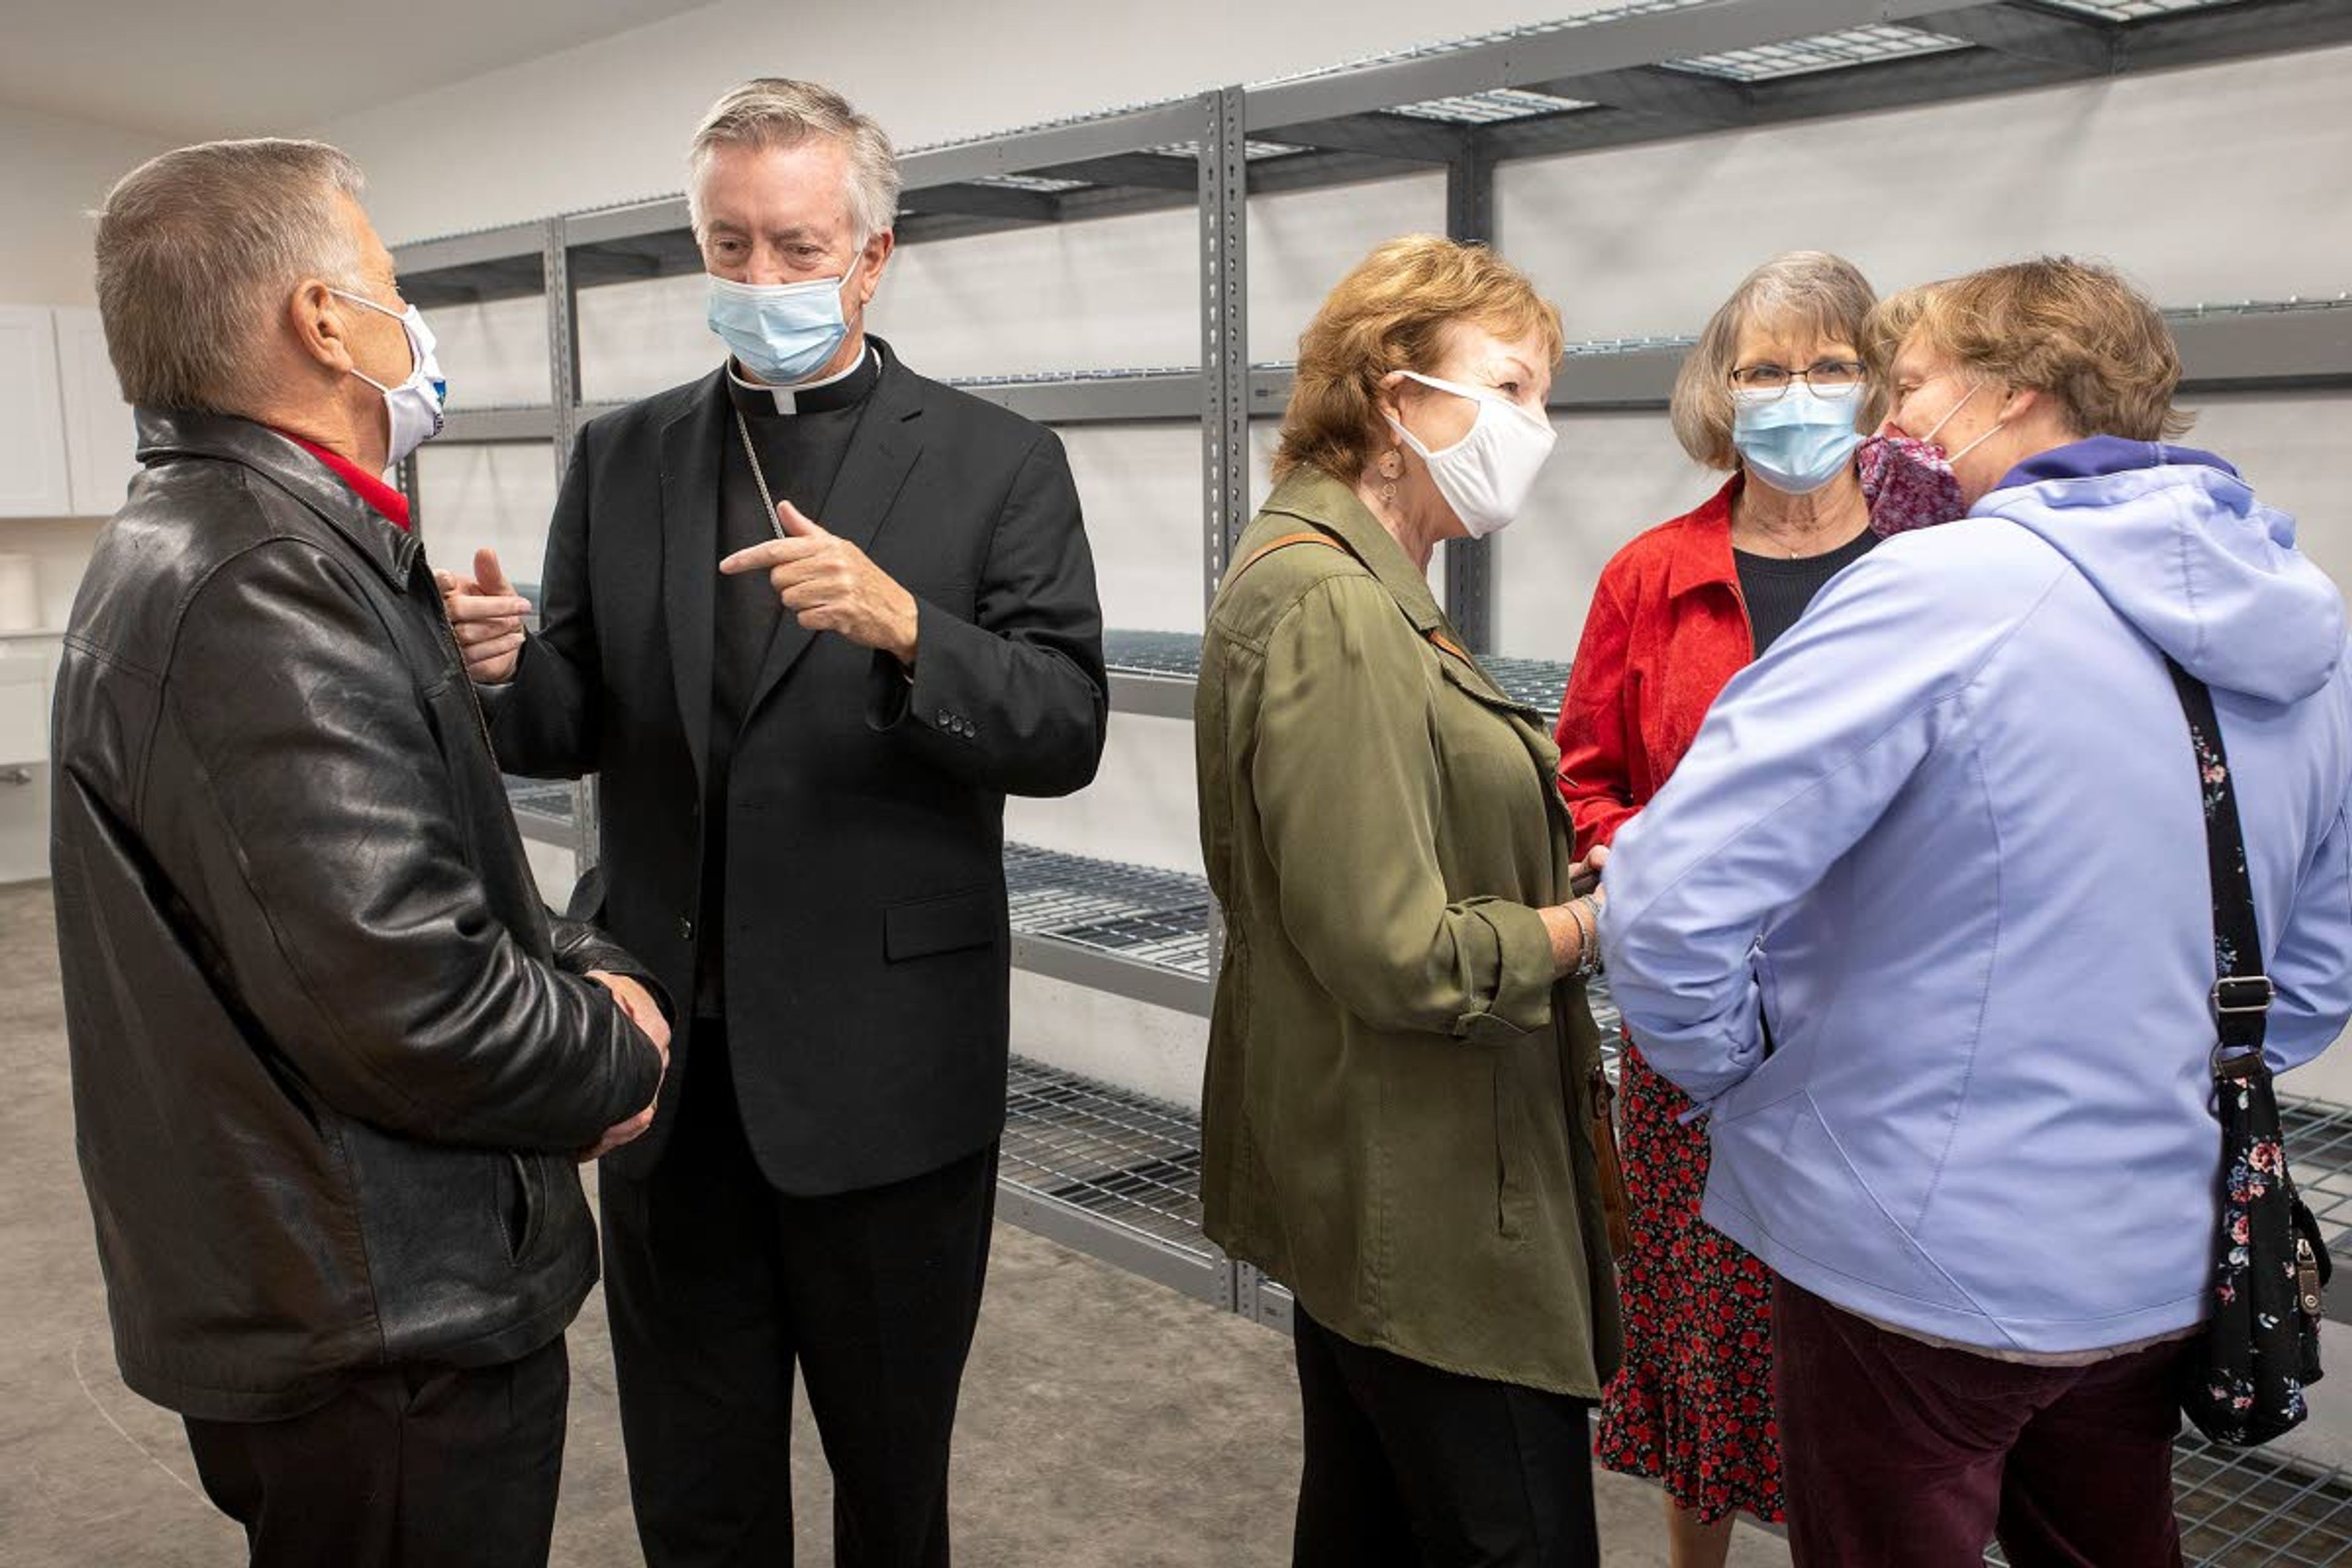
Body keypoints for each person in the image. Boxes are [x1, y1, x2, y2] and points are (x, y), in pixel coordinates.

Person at [437, 79, 1107, 1568]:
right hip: (665, 1068)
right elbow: (571, 722)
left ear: (873, 255)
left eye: (797, 250)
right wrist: (501, 673)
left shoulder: (998, 463)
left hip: (890, 1076)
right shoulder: (626, 455)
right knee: (696, 1488)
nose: (760, 282)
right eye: (728, 247)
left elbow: (1065, 724)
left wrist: (912, 629)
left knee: (890, 1485)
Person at [1600, 255, 2352, 1564]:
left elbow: (1666, 906)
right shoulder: (2300, 620)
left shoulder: (1935, 593)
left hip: (1911, 1257)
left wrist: (1743, 1077)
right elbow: (2317, 970)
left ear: (2013, 397)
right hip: (2162, 1245)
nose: (1883, 427)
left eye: (1906, 386)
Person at [54, 138, 671, 1568]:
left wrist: (569, 950)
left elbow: (408, 874)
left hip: (320, 1287)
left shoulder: (235, 540)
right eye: (389, 281)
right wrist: (617, 1048)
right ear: (325, 321)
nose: (411, 321)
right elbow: (412, 998)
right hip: (382, 1322)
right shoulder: (260, 580)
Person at [1195, 233, 1621, 1568]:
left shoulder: (1370, 587)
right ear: (1394, 396)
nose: (1534, 428)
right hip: (1430, 1193)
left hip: (1398, 1162)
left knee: (1376, 1518)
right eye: (1510, 386)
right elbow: (1398, 952)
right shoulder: (1331, 607)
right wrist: (1590, 925)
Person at [1552, 250, 1883, 1566]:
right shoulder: (1653, 574)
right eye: (1764, 370)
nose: (1796, 394)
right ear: (1719, 389)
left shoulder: (1946, 563)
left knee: (1859, 1340)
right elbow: (1589, 769)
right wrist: (1656, 872)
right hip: (1700, 1027)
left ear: (1875, 386)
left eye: (1829, 366)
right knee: (1700, 1320)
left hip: (1879, 1024)